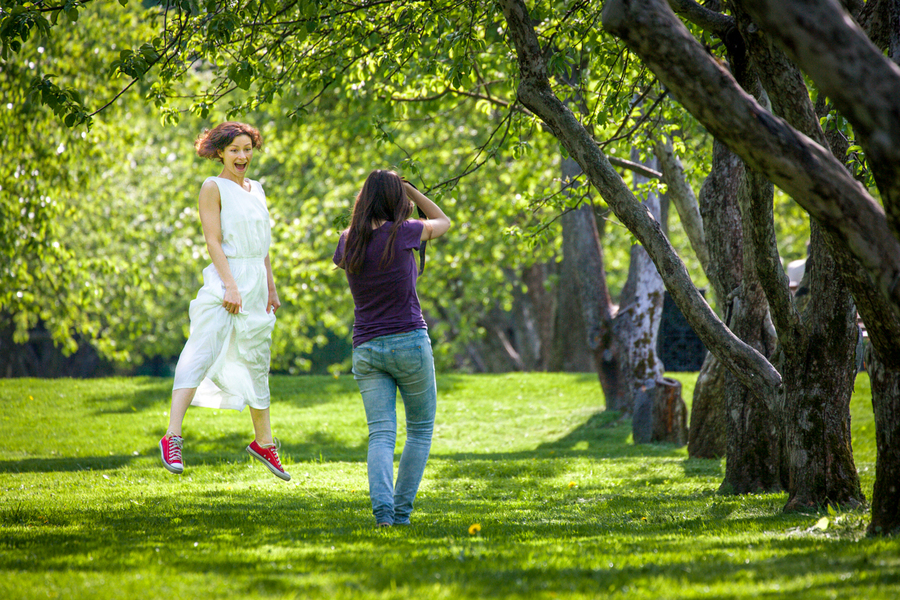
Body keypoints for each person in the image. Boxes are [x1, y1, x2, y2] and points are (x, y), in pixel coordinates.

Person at [159, 121, 290, 481]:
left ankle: (264, 443)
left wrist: (271, 287)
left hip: (256, 286)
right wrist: (230, 287)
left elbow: (262, 246)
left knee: (257, 359)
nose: (242, 155)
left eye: (247, 148)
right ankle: (172, 436)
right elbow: (213, 241)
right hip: (226, 281)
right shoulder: (212, 187)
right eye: (234, 149)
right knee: (201, 350)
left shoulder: (258, 189)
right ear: (219, 152)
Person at [333, 169, 451, 527]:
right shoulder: (407, 232)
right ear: (398, 198)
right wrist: (412, 192)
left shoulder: (348, 240)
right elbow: (443, 221)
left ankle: (384, 513)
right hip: (409, 342)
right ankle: (401, 513)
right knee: (419, 430)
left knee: (381, 434)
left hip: (366, 348)